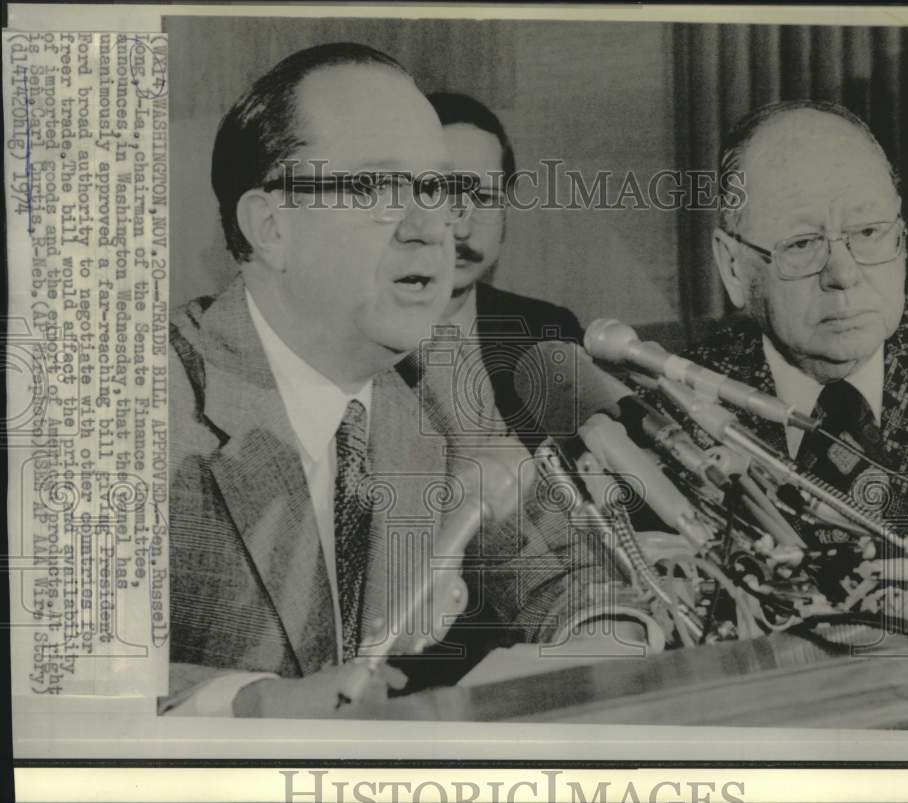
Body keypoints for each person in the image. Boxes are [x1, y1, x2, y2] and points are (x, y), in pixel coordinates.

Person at [165, 44, 656, 718]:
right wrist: (252, 703)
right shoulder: (140, 400)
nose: (433, 229)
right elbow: (57, 674)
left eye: (437, 189)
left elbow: (582, 582)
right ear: (272, 228)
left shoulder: (438, 377)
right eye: (378, 188)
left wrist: (588, 643)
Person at [683, 100, 908, 556]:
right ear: (732, 266)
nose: (843, 273)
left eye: (868, 233)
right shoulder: (674, 407)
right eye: (802, 243)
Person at [425, 92, 583, 448]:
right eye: (446, 196)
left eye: (485, 199)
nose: (463, 229)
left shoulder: (549, 332)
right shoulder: (361, 346)